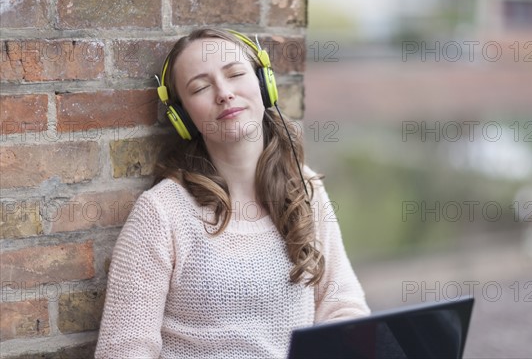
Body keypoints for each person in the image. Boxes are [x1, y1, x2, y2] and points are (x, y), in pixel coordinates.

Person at [95, 27, 370, 358]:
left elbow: (343, 307)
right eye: (200, 87)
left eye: (235, 74)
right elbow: (123, 350)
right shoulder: (161, 213)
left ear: (263, 84)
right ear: (183, 117)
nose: (224, 93)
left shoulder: (305, 188)